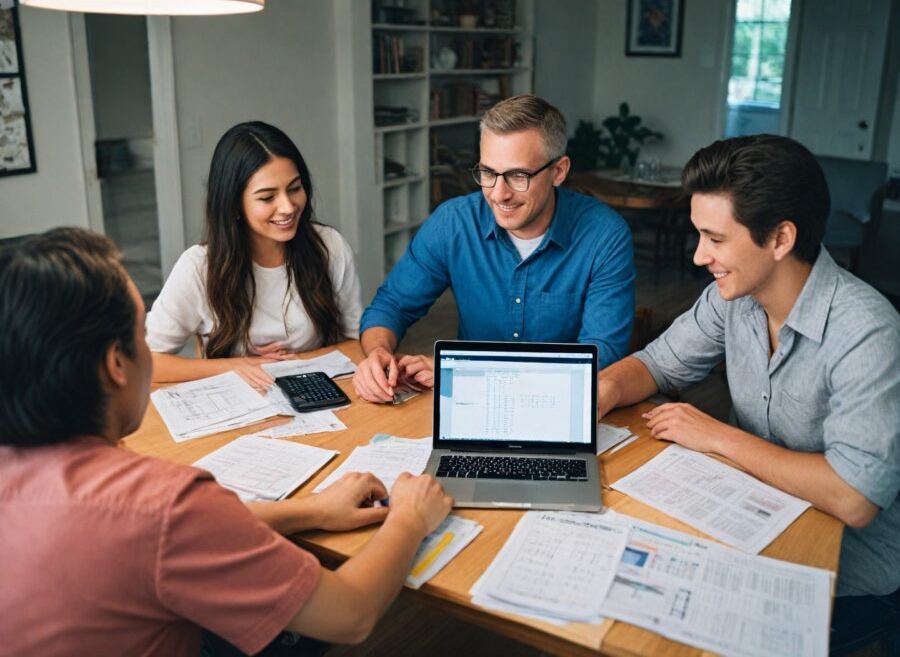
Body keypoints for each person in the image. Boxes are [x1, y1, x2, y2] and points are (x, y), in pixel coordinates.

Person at [0, 228, 453, 655]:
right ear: (115, 364)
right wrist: (410, 517)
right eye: (140, 336)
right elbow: (350, 614)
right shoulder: (165, 503)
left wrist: (313, 510)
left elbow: (185, 531)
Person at [597, 135, 900, 651]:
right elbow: (654, 363)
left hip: (850, 568)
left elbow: (855, 497)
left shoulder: (868, 331)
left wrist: (717, 437)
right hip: (753, 516)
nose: (699, 256)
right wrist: (602, 389)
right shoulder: (733, 298)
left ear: (780, 238)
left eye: (715, 239)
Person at [353, 95, 635, 403]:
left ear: (559, 171)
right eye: (488, 173)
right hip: (471, 407)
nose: (499, 194)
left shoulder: (606, 236)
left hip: (560, 405)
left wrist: (460, 373)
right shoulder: (454, 222)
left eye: (518, 176)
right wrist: (378, 352)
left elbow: (599, 356)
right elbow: (392, 305)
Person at [146, 121, 362, 392]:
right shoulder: (199, 267)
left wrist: (297, 364)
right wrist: (236, 366)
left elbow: (357, 344)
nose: (287, 207)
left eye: (294, 189)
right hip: (238, 406)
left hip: (317, 398)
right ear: (234, 203)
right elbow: (148, 361)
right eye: (267, 197)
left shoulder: (329, 246)